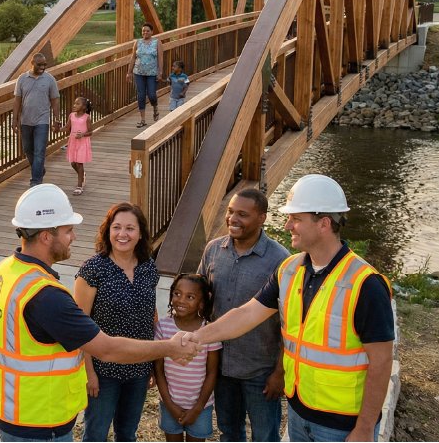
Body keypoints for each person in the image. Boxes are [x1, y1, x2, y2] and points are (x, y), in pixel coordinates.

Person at [183, 175, 395, 443]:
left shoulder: (366, 283)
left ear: (324, 224)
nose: (287, 225)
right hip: (299, 413)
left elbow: (382, 361)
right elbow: (248, 314)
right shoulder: (290, 270)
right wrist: (197, 338)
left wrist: (364, 428)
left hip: (342, 424)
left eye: (296, 219)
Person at [0, 184, 201, 443]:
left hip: (10, 408)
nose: (74, 237)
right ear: (45, 236)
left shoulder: (5, 270)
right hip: (39, 420)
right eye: (68, 230)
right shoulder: (47, 296)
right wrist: (169, 348)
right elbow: (107, 349)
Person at [196, 189, 289, 443]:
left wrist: (280, 372)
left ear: (262, 218)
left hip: (260, 369)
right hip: (220, 365)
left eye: (242, 214)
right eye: (230, 211)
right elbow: (200, 300)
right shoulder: (213, 250)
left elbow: (289, 324)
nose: (232, 219)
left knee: (265, 436)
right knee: (229, 432)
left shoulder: (281, 261)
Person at [74, 203, 159, 443]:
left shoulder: (148, 267)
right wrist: (89, 372)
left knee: (127, 434)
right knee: (96, 435)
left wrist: (152, 362)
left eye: (130, 228)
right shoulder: (93, 269)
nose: (123, 234)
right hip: (103, 370)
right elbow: (81, 327)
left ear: (140, 233)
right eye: (117, 227)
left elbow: (150, 315)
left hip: (138, 367)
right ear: (107, 231)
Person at [154, 274, 221, 442]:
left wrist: (197, 409)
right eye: (177, 294)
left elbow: (212, 373)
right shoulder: (163, 327)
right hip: (170, 404)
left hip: (201, 407)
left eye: (190, 297)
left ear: (202, 302)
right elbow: (159, 370)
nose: (181, 300)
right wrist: (169, 404)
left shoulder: (209, 331)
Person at [12, 53, 60, 187]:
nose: (43, 67)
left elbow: (55, 102)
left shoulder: (50, 79)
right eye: (39, 65)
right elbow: (17, 100)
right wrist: (14, 119)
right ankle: (39, 169)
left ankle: (36, 181)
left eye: (45, 64)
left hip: (42, 121)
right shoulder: (22, 79)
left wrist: (57, 119)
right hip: (25, 120)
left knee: (39, 151)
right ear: (32, 63)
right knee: (27, 149)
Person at [52, 96, 93, 196]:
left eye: (78, 104)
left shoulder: (86, 117)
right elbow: (67, 127)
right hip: (73, 141)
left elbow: (91, 131)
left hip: (82, 142)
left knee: (79, 164)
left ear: (84, 107)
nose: (74, 105)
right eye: (74, 103)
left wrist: (82, 135)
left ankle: (79, 186)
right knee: (73, 163)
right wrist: (58, 130)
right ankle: (82, 174)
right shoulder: (71, 116)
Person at [127, 23, 163, 127]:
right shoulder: (137, 42)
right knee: (141, 95)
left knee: (152, 94)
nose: (145, 32)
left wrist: (160, 72)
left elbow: (160, 58)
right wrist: (129, 72)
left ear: (152, 32)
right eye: (143, 31)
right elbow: (133, 57)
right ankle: (142, 120)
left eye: (147, 31)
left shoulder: (157, 42)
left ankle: (155, 107)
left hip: (152, 73)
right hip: (138, 72)